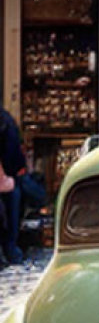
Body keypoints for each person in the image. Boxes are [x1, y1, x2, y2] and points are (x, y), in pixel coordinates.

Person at [0, 107, 28, 265]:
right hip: (9, 177)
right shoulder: (6, 120)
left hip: (12, 174)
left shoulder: (6, 120)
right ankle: (11, 249)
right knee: (15, 195)